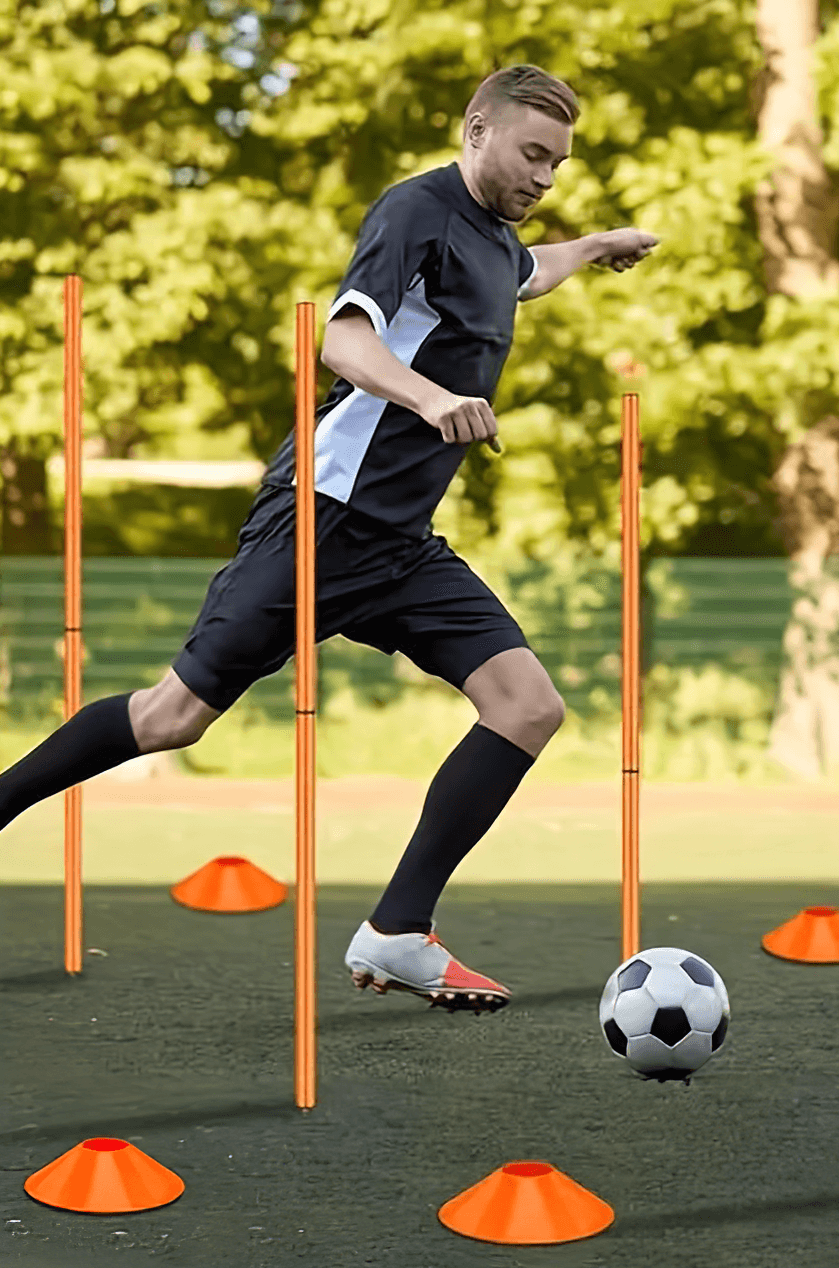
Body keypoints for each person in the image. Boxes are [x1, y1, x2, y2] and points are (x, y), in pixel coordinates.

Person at [0, 63, 657, 1013]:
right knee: (170, 719)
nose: (546, 176)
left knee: (526, 704)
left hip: (400, 544)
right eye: (531, 153)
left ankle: (397, 931)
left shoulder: (495, 239)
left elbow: (530, 275)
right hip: (323, 517)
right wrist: (436, 399)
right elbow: (344, 344)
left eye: (557, 162)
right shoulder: (414, 213)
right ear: (476, 129)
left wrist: (594, 245)